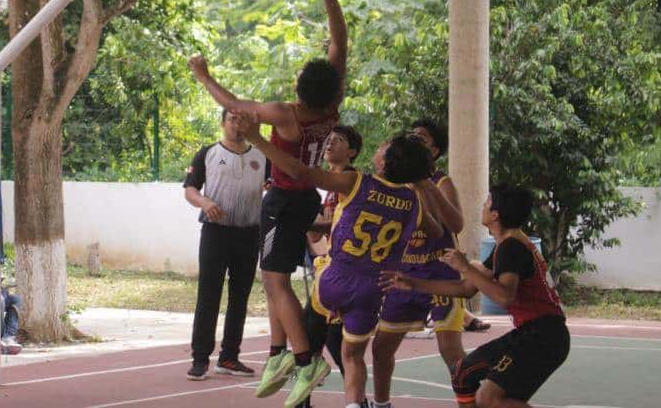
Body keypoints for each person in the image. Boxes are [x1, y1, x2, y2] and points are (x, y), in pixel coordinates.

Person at [188, 0, 348, 399]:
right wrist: (332, 4)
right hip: (303, 200)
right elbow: (339, 48)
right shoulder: (332, 106)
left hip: (283, 198)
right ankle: (279, 350)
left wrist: (204, 77)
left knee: (274, 281)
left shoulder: (285, 115)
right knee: (278, 277)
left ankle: (305, 360)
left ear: (299, 89)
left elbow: (236, 106)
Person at [241, 112, 463, 408]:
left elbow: (299, 171)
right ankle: (353, 402)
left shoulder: (357, 182)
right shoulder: (412, 203)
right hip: (373, 290)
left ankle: (294, 357)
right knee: (353, 355)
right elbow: (436, 230)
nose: (379, 147)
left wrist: (256, 137)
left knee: (278, 287)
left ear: (385, 161)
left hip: (336, 280)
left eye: (384, 146)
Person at [381, 185, 569, 408]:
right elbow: (466, 288)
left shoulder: (512, 247)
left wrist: (465, 266)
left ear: (495, 214)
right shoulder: (507, 245)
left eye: (487, 202)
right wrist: (413, 283)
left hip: (543, 336)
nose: (483, 206)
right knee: (463, 374)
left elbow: (504, 297)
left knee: (488, 398)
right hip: (536, 334)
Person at [372, 119, 466, 408]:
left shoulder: (440, 182)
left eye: (422, 137)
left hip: (440, 270)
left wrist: (424, 184)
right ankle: (381, 403)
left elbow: (456, 224)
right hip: (405, 273)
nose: (414, 139)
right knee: (381, 348)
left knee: (450, 350)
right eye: (411, 135)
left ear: (434, 151)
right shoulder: (393, 183)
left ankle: (469, 400)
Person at [182, 110, 268, 380]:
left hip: (249, 233)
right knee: (208, 295)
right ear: (222, 123)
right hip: (215, 234)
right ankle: (200, 359)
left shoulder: (263, 156)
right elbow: (190, 189)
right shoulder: (207, 152)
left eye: (242, 120)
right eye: (232, 119)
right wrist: (206, 203)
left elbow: (275, 185)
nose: (237, 125)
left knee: (240, 297)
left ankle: (230, 357)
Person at [296, 125, 361, 408]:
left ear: (352, 152)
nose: (330, 143)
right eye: (329, 139)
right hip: (329, 273)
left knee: (335, 344)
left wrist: (293, 220)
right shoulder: (328, 189)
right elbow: (315, 235)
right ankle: (304, 401)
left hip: (347, 275)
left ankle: (358, 400)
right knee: (310, 338)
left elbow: (332, 225)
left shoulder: (351, 180)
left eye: (339, 140)